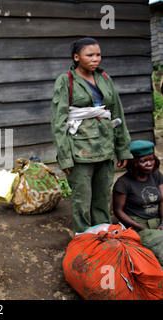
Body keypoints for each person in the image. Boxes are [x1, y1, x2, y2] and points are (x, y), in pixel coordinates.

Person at [50, 37, 133, 234]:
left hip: (105, 146)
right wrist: (65, 157)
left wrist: (122, 149)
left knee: (103, 195)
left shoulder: (104, 77)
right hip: (80, 150)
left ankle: (103, 236)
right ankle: (83, 239)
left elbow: (117, 114)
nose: (95, 59)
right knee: (82, 198)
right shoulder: (66, 81)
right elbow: (58, 122)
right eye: (90, 55)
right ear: (77, 57)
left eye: (98, 55)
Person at [113, 140, 163, 231]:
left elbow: (162, 200)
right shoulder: (123, 183)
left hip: (158, 221)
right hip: (138, 224)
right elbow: (118, 211)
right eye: (143, 161)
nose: (149, 164)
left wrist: (162, 223)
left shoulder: (156, 175)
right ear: (134, 163)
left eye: (151, 159)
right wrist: (141, 228)